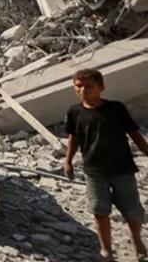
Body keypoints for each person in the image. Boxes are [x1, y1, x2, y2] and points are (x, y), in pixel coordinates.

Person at [64, 68, 148, 262]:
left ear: (101, 88)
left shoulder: (116, 109)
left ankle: (137, 241)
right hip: (94, 171)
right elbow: (73, 138)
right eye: (79, 86)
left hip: (122, 168)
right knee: (100, 211)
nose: (83, 90)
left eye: (89, 86)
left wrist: (146, 151)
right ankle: (106, 250)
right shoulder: (75, 112)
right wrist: (68, 161)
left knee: (132, 210)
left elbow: (134, 133)